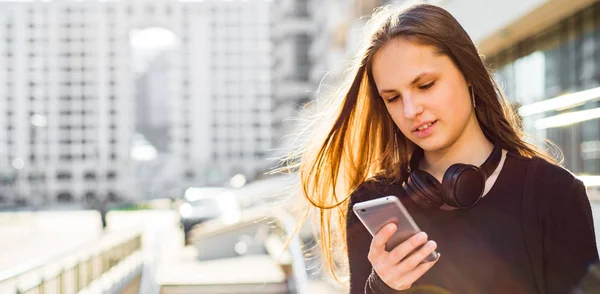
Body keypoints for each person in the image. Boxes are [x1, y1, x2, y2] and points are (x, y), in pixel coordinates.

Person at [288, 2, 599, 294]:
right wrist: (380, 286)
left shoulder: (555, 195)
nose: (410, 110)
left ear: (467, 74)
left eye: (425, 85)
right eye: (393, 98)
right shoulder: (372, 201)